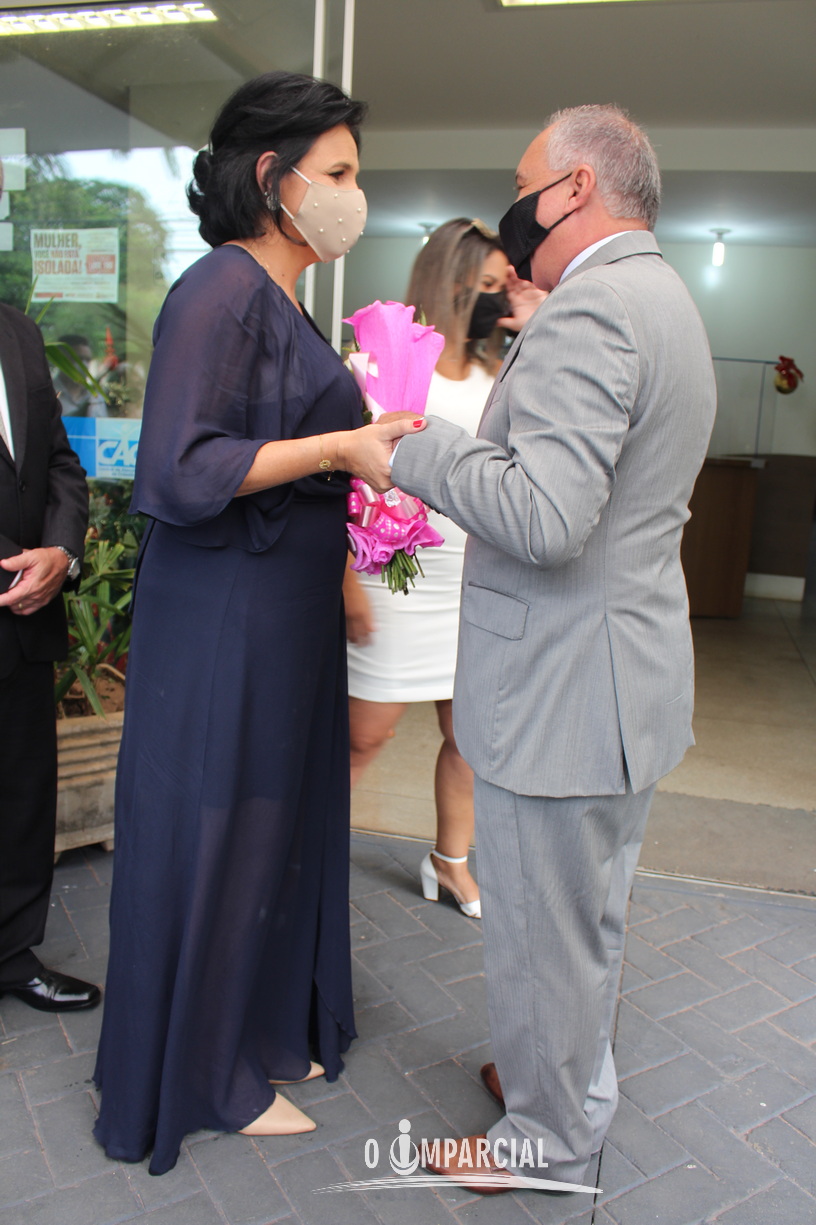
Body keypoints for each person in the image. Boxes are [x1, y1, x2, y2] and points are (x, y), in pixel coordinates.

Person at [357, 104, 717, 1191]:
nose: (513, 208)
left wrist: (416, 451)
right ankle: (556, 1084)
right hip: (620, 679)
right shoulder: (662, 296)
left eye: (524, 187)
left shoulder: (593, 309)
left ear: (573, 190)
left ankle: (545, 1140)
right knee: (583, 920)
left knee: (540, 931)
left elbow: (548, 517)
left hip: (560, 688)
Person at [91, 71, 425, 1175]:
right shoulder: (221, 291)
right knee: (221, 830)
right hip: (226, 614)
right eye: (339, 174)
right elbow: (181, 466)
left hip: (277, 607)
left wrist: (358, 485)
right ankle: (203, 1074)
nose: (354, 196)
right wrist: (341, 449)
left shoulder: (279, 298)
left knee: (266, 828)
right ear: (275, 179)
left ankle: (251, 1031)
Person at [345, 219, 543, 918]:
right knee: (365, 734)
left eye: (501, 285)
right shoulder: (382, 366)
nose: (495, 297)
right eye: (485, 284)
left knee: (469, 738)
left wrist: (535, 318)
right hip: (391, 575)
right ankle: (305, 855)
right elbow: (340, 478)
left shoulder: (501, 377)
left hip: (472, 577)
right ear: (449, 282)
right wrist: (346, 581)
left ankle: (450, 862)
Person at [0, 301, 98, 1013]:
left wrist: (61, 551)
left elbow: (59, 461)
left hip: (25, 618)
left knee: (22, 799)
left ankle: (11, 955)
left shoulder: (17, 330)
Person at [52, 334, 109, 417]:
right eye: (78, 359)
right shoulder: (48, 394)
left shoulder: (95, 397)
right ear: (61, 360)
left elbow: (102, 424)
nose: (84, 365)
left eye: (87, 360)